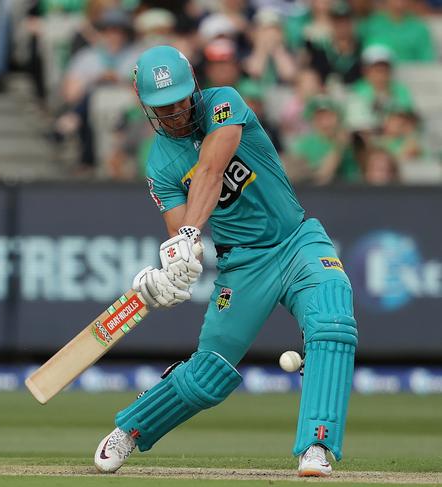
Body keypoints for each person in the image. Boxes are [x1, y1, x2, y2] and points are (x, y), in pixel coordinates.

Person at [93, 45, 357, 478]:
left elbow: (212, 170)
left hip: (296, 239)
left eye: (179, 97)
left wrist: (189, 236)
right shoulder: (159, 164)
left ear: (194, 85)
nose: (176, 111)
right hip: (242, 265)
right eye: (162, 105)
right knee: (207, 377)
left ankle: (316, 446)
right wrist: (173, 270)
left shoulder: (224, 103)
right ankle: (132, 428)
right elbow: (182, 236)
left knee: (333, 320)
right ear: (144, 106)